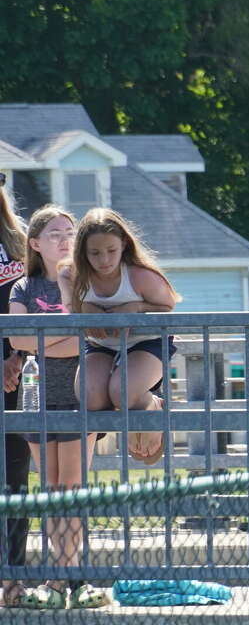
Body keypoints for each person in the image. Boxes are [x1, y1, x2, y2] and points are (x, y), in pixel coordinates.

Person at [7, 206, 108, 610]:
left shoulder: (85, 284)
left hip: (80, 396)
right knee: (51, 490)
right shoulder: (23, 288)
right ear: (34, 243)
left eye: (70, 232)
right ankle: (58, 579)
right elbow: (18, 342)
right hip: (37, 398)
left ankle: (69, 577)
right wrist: (67, 336)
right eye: (54, 233)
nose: (64, 239)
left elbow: (91, 337)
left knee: (73, 489)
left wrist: (48, 334)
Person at [64, 208, 180, 466]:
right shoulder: (70, 275)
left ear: (124, 245)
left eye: (111, 251)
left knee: (122, 391)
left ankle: (151, 405)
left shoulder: (140, 275)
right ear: (82, 251)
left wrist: (136, 307)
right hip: (101, 344)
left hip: (146, 342)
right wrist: (86, 308)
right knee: (91, 397)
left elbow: (169, 306)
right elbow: (71, 308)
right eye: (94, 252)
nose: (104, 259)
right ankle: (130, 413)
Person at [0, 174, 31, 608]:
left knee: (14, 477)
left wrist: (17, 357)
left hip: (12, 372)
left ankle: (13, 578)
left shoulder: (20, 241)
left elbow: (38, 302)